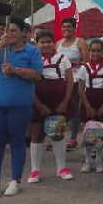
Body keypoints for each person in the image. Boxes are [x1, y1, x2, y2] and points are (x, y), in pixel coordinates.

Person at [0, 18, 43, 198]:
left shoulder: (31, 51)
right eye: (7, 31)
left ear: (23, 33)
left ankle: (15, 180)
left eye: (14, 31)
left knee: (17, 142)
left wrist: (16, 70)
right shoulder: (1, 49)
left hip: (19, 105)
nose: (9, 34)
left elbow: (37, 75)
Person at [30, 29, 74, 182]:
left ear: (53, 42)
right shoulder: (33, 59)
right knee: (37, 134)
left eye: (49, 41)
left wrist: (65, 102)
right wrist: (39, 105)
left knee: (58, 133)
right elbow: (29, 84)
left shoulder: (62, 58)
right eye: (42, 42)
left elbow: (69, 82)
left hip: (58, 102)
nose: (46, 44)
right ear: (37, 44)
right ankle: (35, 170)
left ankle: (61, 167)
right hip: (38, 100)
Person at [75, 39, 103, 173]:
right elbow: (80, 89)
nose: (95, 53)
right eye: (93, 50)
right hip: (90, 99)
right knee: (89, 131)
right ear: (89, 51)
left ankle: (99, 160)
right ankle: (88, 160)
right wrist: (87, 106)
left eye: (99, 51)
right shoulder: (84, 68)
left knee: (101, 132)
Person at [57, 17, 89, 150]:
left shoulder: (80, 42)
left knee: (75, 108)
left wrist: (73, 65)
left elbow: (87, 61)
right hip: (60, 79)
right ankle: (57, 135)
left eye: (69, 27)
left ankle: (73, 137)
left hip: (75, 79)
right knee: (60, 107)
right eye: (64, 27)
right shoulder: (58, 43)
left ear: (74, 28)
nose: (66, 29)